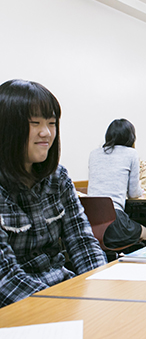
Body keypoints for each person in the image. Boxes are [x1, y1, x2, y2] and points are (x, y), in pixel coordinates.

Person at [0, 79, 106, 308]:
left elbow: (82, 240)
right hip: (18, 306)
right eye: (34, 122)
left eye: (51, 122)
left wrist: (100, 289)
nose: (46, 133)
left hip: (63, 292)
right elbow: (4, 277)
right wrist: (53, 307)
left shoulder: (58, 177)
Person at [88, 119, 146, 249]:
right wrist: (142, 191)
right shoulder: (131, 153)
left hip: (90, 222)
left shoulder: (94, 154)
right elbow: (134, 193)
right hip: (115, 221)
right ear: (131, 137)